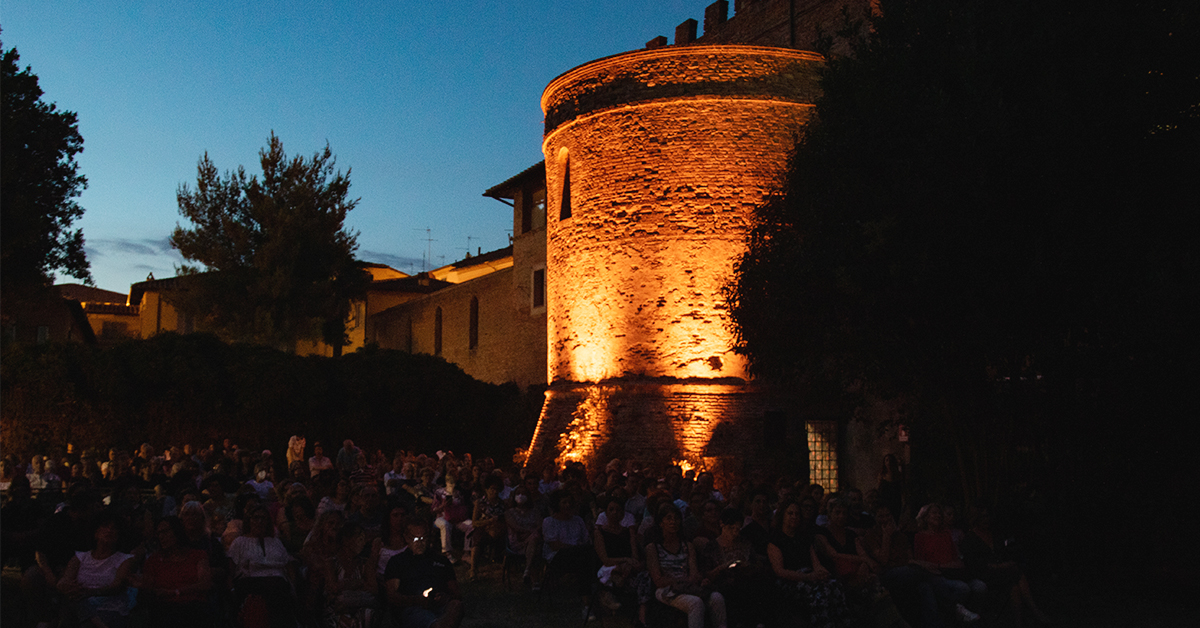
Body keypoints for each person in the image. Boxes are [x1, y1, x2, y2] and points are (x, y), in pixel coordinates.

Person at [959, 508, 1051, 626]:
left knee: (1014, 583)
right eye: (983, 517)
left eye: (987, 516)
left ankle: (1020, 621)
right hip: (984, 573)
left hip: (1000, 571)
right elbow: (975, 564)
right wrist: (999, 566)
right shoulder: (970, 538)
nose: (986, 520)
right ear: (976, 519)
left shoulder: (994, 534)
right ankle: (1034, 611)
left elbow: (1003, 552)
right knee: (1015, 575)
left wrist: (1005, 563)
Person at [768, 499, 849, 628]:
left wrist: (822, 573)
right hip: (790, 580)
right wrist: (807, 577)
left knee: (834, 585)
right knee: (821, 592)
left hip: (810, 575)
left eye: (797, 514)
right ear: (783, 515)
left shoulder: (804, 537)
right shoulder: (775, 540)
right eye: (790, 513)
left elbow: (815, 562)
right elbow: (779, 571)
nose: (794, 517)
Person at [646, 503, 727, 628]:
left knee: (717, 598)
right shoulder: (653, 548)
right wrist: (681, 580)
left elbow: (693, 572)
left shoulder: (687, 546)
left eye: (676, 518)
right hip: (666, 589)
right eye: (669, 518)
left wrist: (698, 580)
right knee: (696, 603)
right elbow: (658, 580)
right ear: (661, 523)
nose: (673, 522)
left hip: (688, 585)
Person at [56, 513, 136, 627]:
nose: (109, 530)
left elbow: (117, 586)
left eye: (114, 528)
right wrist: (69, 588)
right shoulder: (80, 558)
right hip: (79, 607)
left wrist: (90, 592)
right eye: (105, 526)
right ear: (95, 532)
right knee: (75, 601)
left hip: (110, 610)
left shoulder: (124, 560)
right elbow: (63, 581)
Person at [383, 518, 464, 628]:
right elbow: (392, 596)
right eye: (415, 538)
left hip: (440, 606)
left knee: (455, 606)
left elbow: (456, 593)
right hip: (413, 608)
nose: (419, 543)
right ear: (406, 538)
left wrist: (445, 598)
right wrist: (417, 600)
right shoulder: (397, 562)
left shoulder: (441, 561)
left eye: (423, 538)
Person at [227, 504, 298, 627]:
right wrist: (231, 589)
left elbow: (288, 565)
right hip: (250, 582)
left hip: (277, 581)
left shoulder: (275, 542)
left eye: (263, 518)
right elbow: (231, 569)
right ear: (249, 520)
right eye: (256, 518)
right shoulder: (239, 542)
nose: (259, 521)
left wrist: (293, 585)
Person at [699, 507, 771, 628]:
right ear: (722, 525)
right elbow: (706, 575)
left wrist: (747, 566)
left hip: (747, 583)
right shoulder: (712, 547)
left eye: (737, 529)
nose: (734, 533)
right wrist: (723, 567)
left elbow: (757, 566)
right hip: (723, 587)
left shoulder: (745, 543)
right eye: (731, 528)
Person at [913, 503, 983, 623]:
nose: (938, 515)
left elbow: (956, 559)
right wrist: (935, 568)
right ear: (926, 517)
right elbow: (921, 562)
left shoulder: (945, 534)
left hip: (951, 571)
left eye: (939, 513)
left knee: (980, 587)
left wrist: (943, 566)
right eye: (934, 513)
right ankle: (957, 611)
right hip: (935, 575)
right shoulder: (920, 537)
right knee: (962, 588)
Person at [141, 516, 212, 626]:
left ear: (177, 531)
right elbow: (150, 590)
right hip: (165, 611)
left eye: (165, 532)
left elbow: (205, 584)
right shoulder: (154, 561)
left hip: (195, 609)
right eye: (159, 533)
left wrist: (175, 592)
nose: (161, 537)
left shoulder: (198, 555)